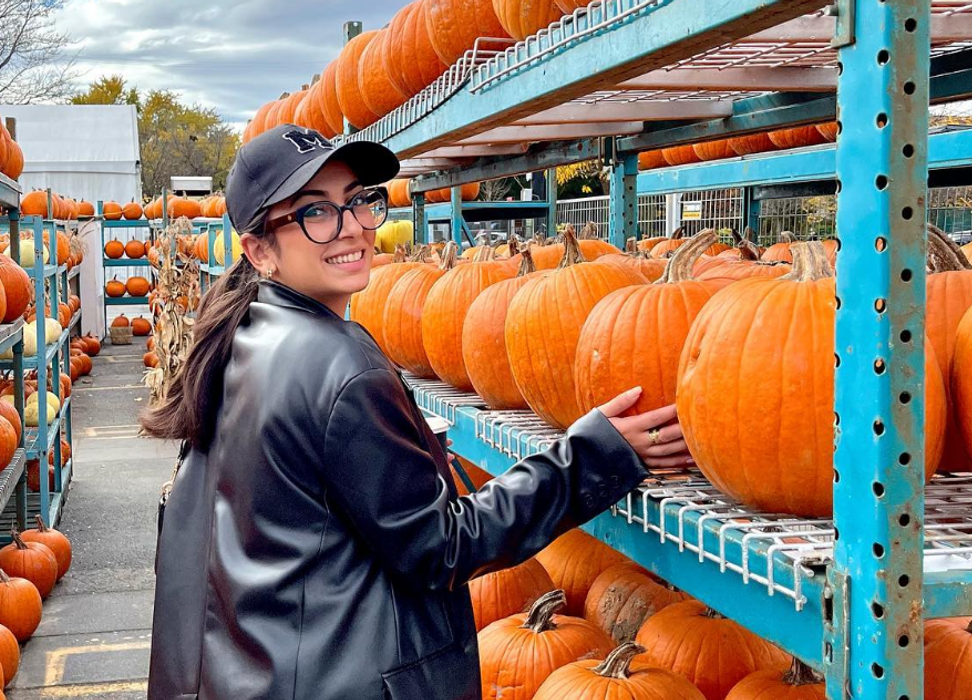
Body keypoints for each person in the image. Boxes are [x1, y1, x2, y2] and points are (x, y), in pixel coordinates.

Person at [144, 124, 692, 700]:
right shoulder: (340, 365)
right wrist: (590, 457)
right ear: (260, 249)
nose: (352, 226)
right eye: (315, 213)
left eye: (357, 200)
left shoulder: (243, 333)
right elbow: (441, 546)